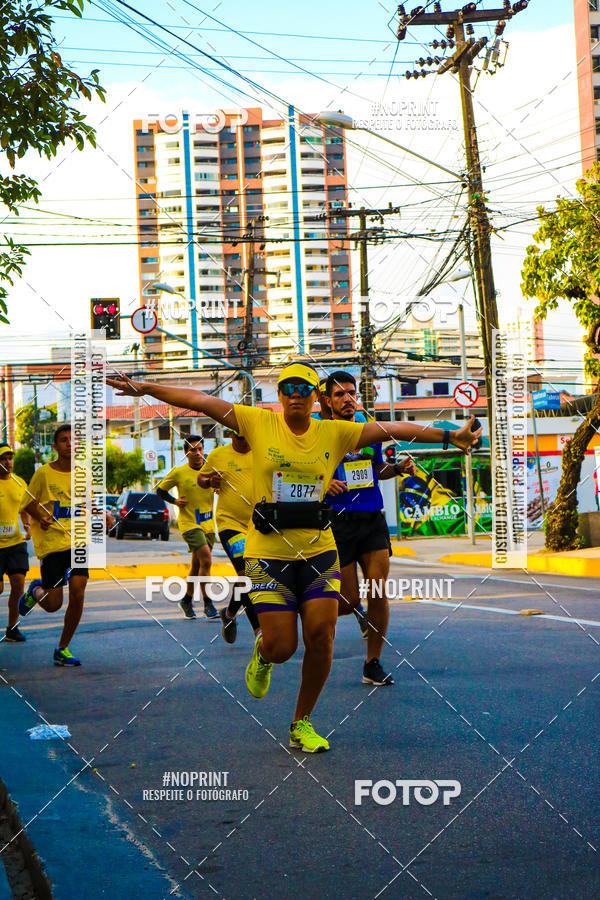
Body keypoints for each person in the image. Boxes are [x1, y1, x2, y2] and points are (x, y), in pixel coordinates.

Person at [107, 365, 480, 753]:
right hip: (267, 554)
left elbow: (394, 430)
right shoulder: (257, 422)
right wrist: (144, 388)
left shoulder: (336, 432)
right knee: (283, 646)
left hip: (319, 549)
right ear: (280, 395)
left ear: (315, 396)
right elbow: (199, 401)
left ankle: (301, 723)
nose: (296, 394)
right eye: (288, 388)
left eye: (304, 387)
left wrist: (450, 435)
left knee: (321, 636)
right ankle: (263, 652)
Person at [324, 371, 417, 685]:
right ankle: (311, 610)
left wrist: (398, 468)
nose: (347, 399)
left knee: (378, 590)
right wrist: (325, 484)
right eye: (339, 395)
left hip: (372, 518)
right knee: (348, 601)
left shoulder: (370, 431)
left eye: (351, 393)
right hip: (339, 522)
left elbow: (377, 469)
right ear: (327, 401)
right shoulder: (319, 432)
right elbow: (303, 473)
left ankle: (372, 663)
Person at [18, 425, 89, 666]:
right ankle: (36, 590)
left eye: (72, 440)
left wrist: (104, 515)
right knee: (53, 605)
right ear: (55, 446)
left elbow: (89, 503)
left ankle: (62, 647)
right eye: (63, 440)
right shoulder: (43, 474)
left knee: (78, 593)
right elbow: (27, 503)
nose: (69, 443)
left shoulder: (83, 474)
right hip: (52, 544)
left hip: (78, 542)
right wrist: (40, 517)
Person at [198, 429, 260, 643]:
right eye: (237, 435)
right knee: (247, 574)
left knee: (250, 577)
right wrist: (210, 482)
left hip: (258, 525)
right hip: (229, 524)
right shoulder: (218, 455)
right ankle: (259, 632)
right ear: (231, 435)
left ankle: (230, 613)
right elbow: (201, 477)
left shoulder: (263, 452)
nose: (243, 440)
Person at [157, 435, 218, 620]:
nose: (197, 453)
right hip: (189, 524)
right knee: (206, 560)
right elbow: (160, 490)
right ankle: (208, 603)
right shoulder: (179, 472)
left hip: (208, 523)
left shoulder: (211, 470)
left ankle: (186, 600)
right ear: (186, 453)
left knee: (197, 565)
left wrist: (218, 487)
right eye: (193, 450)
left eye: (200, 449)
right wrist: (174, 501)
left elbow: (222, 484)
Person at [0, 445, 31, 643]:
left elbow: (24, 508)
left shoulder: (20, 483)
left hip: (16, 542)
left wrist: (27, 525)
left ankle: (12, 628)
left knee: (18, 585)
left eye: (10, 458)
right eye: (4, 458)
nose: (8, 462)